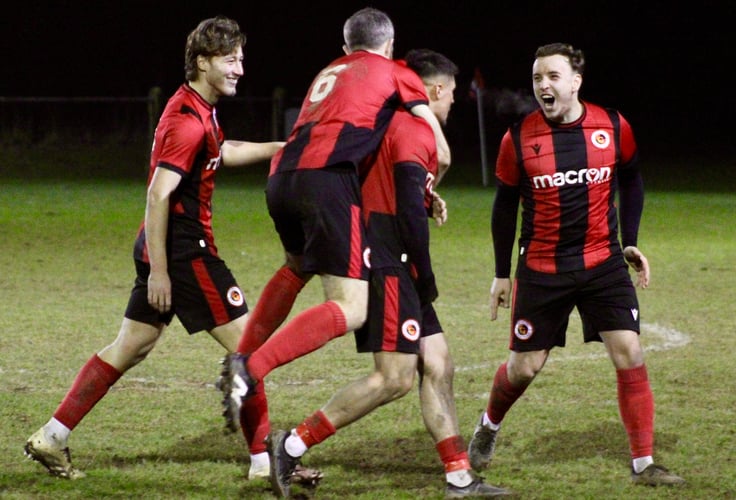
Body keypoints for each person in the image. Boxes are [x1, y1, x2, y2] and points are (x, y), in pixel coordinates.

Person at [23, 16, 285, 480]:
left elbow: (221, 151)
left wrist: (282, 147)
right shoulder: (186, 121)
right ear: (202, 62)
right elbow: (158, 194)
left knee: (133, 344)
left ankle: (53, 436)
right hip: (184, 250)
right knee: (250, 348)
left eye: (241, 59)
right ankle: (266, 465)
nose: (240, 69)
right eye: (230, 60)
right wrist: (162, 271)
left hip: (163, 244)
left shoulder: (197, 107)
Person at [263, 48, 513, 499]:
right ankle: (292, 444)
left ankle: (458, 477)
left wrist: (425, 194)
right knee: (393, 378)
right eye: (452, 93)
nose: (454, 101)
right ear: (435, 90)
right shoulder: (411, 126)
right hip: (389, 260)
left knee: (439, 363)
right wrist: (426, 275)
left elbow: (395, 188)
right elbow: (406, 213)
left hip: (389, 253)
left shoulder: (383, 120)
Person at [217, 6, 452, 473]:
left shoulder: (329, 71)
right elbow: (437, 144)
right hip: (328, 183)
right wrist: (432, 184)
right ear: (387, 44)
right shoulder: (395, 71)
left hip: (282, 177)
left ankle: (242, 358)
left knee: (296, 266)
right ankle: (251, 369)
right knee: (352, 307)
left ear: (346, 47)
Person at [466, 42, 686, 487]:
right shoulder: (519, 138)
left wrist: (631, 242)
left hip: (602, 261)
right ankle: (488, 426)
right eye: (536, 79)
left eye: (552, 76)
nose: (543, 86)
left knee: (629, 351)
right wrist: (499, 272)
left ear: (575, 82)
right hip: (543, 269)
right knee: (524, 368)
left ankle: (644, 464)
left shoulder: (612, 125)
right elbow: (505, 206)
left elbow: (632, 177)